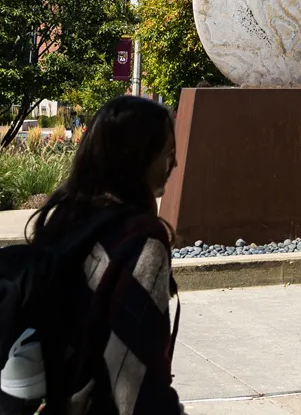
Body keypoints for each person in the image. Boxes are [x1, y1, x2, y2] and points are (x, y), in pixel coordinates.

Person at [20, 95, 186, 415]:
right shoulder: (142, 241)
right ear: (137, 158)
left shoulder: (65, 217)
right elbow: (136, 380)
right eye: (168, 153)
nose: (174, 164)